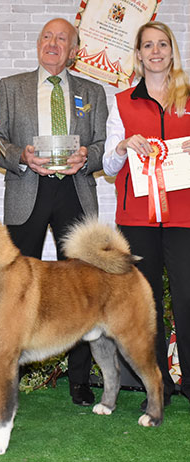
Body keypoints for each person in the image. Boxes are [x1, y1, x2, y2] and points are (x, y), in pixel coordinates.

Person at [0, 18, 108, 406]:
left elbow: (101, 147)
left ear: (74, 50)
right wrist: (21, 156)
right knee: (14, 288)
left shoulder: (94, 91)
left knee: (80, 287)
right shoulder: (11, 87)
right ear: (38, 44)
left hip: (75, 191)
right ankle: (12, 373)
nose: (54, 43)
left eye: (63, 39)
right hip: (28, 188)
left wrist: (86, 157)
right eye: (48, 37)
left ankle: (79, 378)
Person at [103, 21, 190, 409]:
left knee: (188, 298)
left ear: (172, 50)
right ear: (137, 55)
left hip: (185, 216)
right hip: (136, 217)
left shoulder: (188, 97)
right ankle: (159, 387)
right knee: (146, 302)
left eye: (162, 44)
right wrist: (123, 146)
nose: (155, 52)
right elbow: (107, 164)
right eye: (148, 46)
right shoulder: (121, 101)